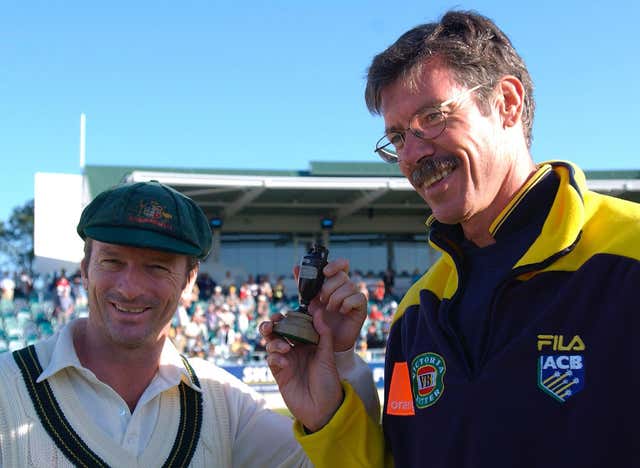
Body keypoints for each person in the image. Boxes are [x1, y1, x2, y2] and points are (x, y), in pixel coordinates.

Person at [263, 10, 639, 467]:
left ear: (507, 103)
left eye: (433, 117)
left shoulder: (628, 254)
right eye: (398, 138)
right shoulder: (416, 314)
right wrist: (328, 416)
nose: (414, 153)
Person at [0, 180, 378, 467]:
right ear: (85, 269)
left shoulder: (223, 401)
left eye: (157, 266)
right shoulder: (7, 389)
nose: (130, 288)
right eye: (112, 262)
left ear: (190, 280)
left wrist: (339, 357)